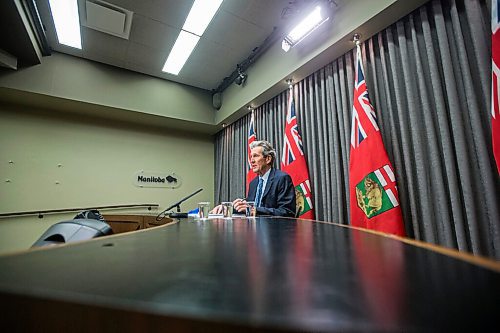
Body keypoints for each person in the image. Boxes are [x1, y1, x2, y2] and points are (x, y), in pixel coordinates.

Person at [213, 140, 296, 217]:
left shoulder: (282, 178)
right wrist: (228, 208)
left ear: (268, 159)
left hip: (274, 230)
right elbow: (248, 209)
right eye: (251, 156)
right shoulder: (254, 183)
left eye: (255, 156)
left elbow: (287, 212)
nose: (251, 161)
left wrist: (255, 210)